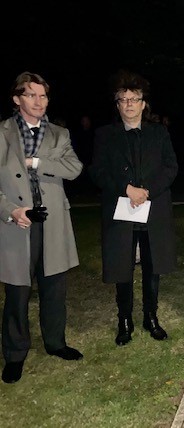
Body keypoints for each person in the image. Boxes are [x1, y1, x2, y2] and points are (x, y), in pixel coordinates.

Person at [0, 72, 84, 384]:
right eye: (32, 95)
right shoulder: (2, 133)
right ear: (17, 99)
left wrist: (37, 163)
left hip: (53, 222)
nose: (39, 102)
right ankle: (15, 354)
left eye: (44, 96)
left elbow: (74, 168)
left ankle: (55, 343)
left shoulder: (59, 134)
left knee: (54, 288)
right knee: (18, 293)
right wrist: (11, 211)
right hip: (16, 224)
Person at [89, 70, 178, 346]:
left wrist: (147, 190)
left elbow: (170, 167)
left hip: (153, 211)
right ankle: (124, 319)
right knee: (122, 268)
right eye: (123, 99)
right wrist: (126, 189)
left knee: (152, 268)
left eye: (134, 99)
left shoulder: (159, 133)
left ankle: (151, 317)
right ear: (117, 105)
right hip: (121, 212)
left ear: (143, 103)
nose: (129, 104)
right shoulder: (105, 135)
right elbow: (97, 171)